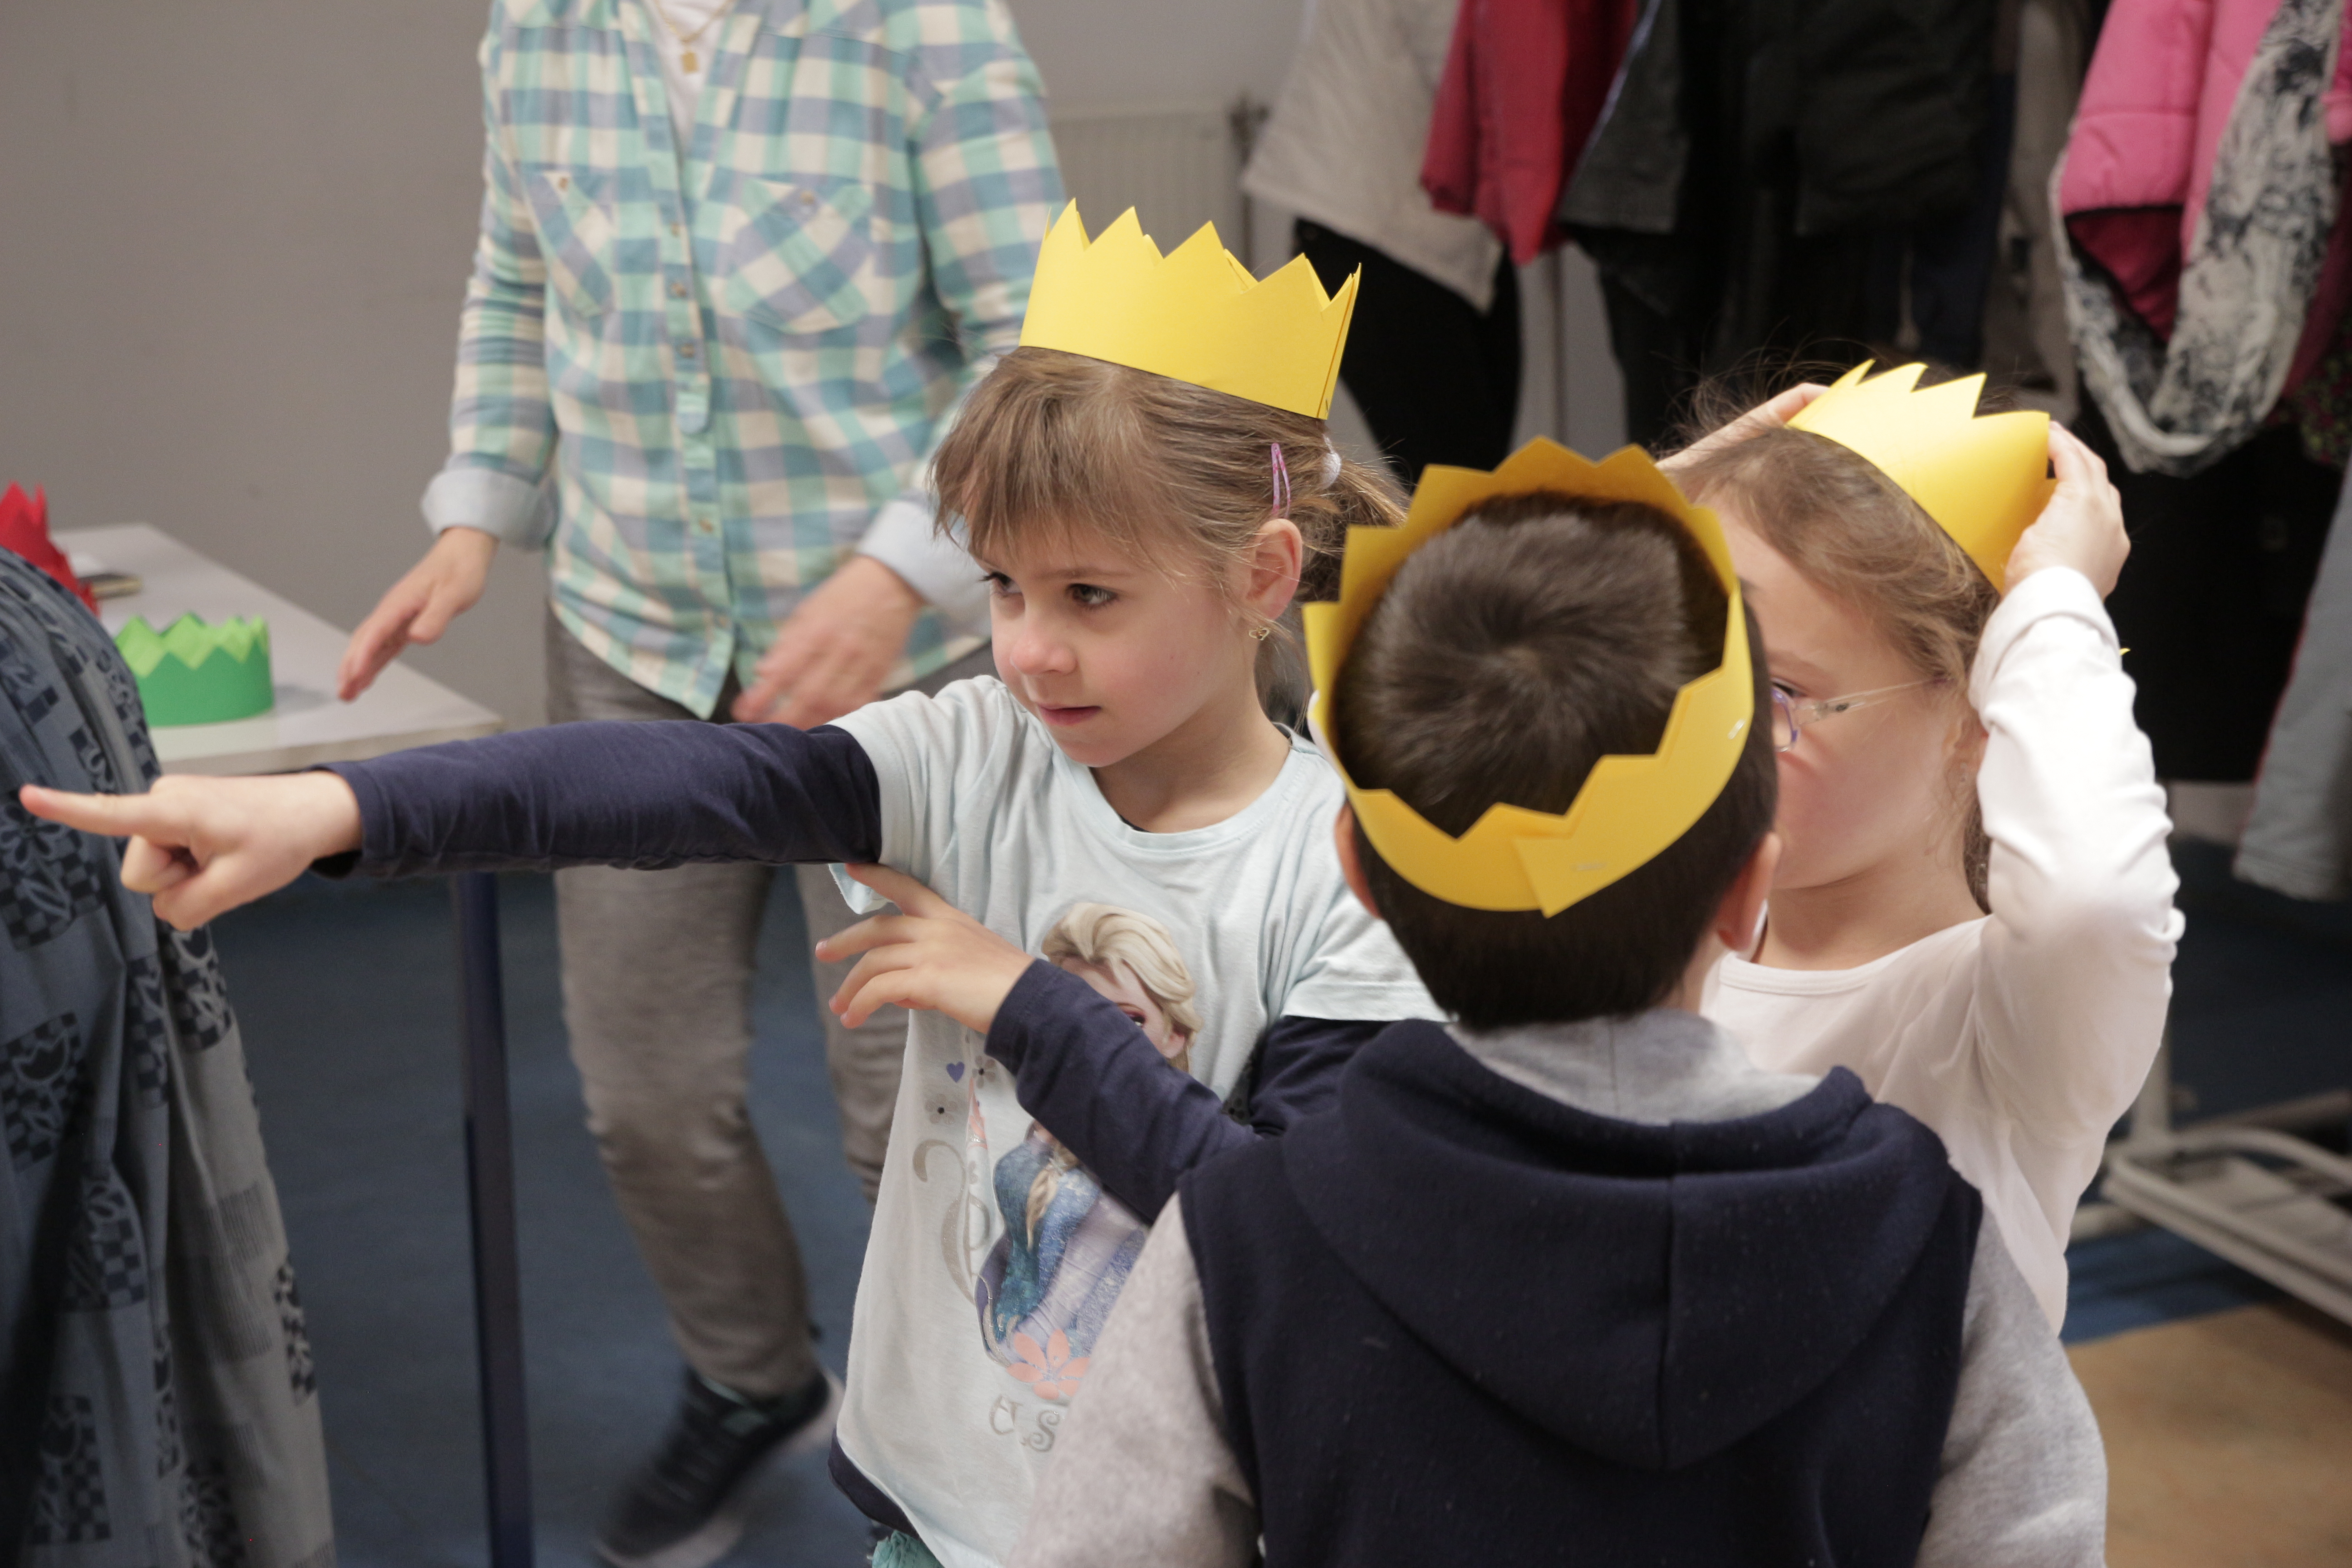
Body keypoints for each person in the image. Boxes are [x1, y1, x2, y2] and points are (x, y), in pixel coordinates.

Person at [21, 205, 1437, 1568]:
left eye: (1091, 598)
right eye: (1004, 589)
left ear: (1261, 575)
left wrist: (1025, 1003)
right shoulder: (978, 752)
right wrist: (336, 807)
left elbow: (1272, 1237)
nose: (1027, 651)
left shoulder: (1348, 876)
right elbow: (682, 783)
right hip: (932, 1506)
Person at [992, 438, 2110, 1567]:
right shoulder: (1925, 1234)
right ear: (1747, 891)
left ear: (1360, 872)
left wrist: (1630, 502)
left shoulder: (1250, 1234)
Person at [320, 0, 1061, 1557]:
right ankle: (748, 1377)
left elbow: (1037, 340)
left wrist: (899, 570)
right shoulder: (538, 30)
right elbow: (519, 283)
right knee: (646, 1094)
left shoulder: (924, 29)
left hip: (897, 658)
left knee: (913, 1112)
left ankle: (983, 1452)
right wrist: (477, 509)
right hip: (632, 633)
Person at [1673, 363, 2182, 1328]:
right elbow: (1422, 723)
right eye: (1691, 663)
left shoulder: (2004, 1023)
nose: (1707, 726)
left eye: (1775, 693)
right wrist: (1634, 519)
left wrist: (2054, 608)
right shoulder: (1647, 922)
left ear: (1978, 714)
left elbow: (2093, 901)